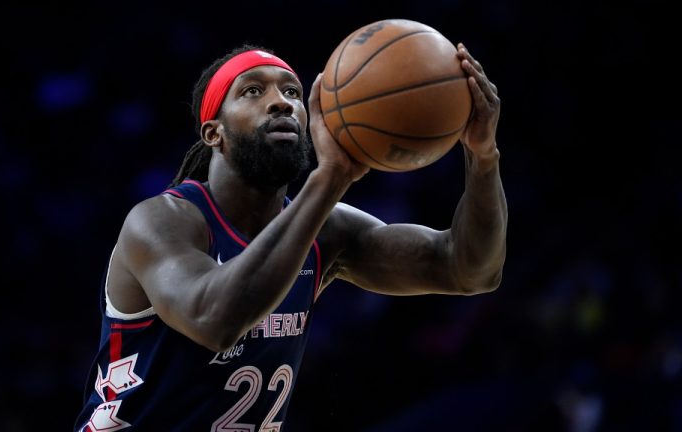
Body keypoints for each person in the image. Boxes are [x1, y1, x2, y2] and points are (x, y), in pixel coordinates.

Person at [74, 41, 507, 431]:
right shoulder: (162, 220)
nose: (280, 102)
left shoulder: (328, 229)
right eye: (252, 91)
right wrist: (332, 176)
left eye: (292, 93)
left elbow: (469, 270)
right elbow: (214, 320)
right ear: (214, 133)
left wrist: (482, 157)